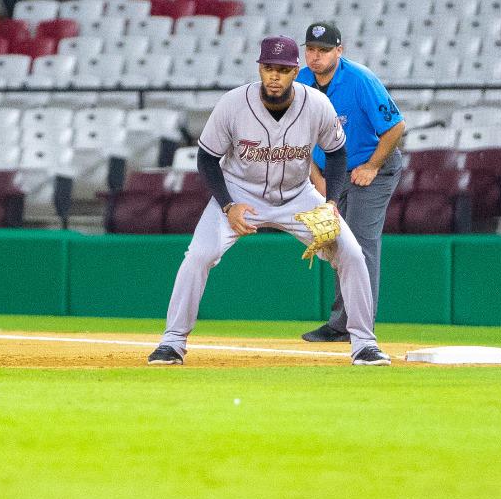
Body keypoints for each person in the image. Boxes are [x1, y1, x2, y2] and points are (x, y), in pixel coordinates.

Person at [148, 35, 391, 367]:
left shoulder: (317, 104)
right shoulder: (233, 104)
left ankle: (364, 344)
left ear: (295, 72)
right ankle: (172, 342)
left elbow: (336, 154)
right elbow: (206, 160)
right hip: (239, 192)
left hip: (298, 195)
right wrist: (228, 205)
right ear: (259, 69)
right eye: (268, 68)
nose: (275, 76)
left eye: (283, 69)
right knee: (199, 255)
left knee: (351, 253)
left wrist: (331, 202)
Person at [298, 22, 405, 344]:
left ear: (339, 51)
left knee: (359, 243)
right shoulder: (301, 81)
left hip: (369, 168)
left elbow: (395, 127)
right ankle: (341, 322)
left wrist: (372, 166)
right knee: (335, 243)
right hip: (331, 172)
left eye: (324, 50)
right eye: (311, 50)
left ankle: (357, 325)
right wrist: (316, 178)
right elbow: (294, 136)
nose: (316, 57)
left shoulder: (360, 79)